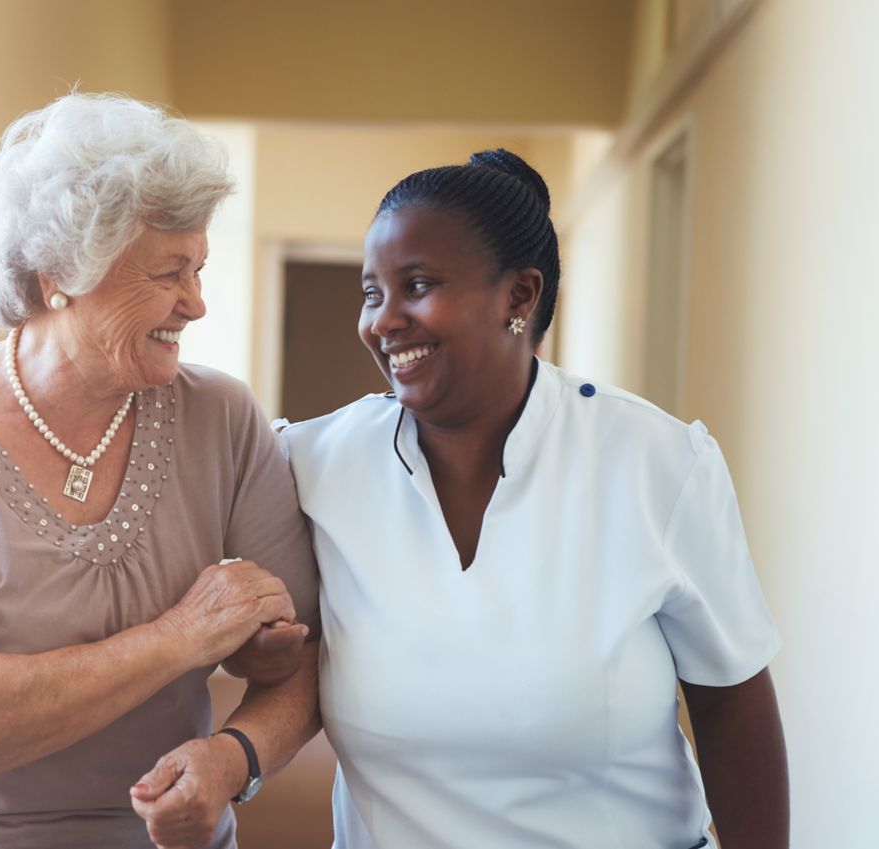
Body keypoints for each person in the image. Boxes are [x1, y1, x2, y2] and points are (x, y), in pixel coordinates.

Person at [139, 149, 788, 848]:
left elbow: (731, 709)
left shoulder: (655, 462)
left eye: (416, 285)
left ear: (519, 296)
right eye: (371, 292)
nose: (382, 321)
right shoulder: (311, 462)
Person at [0, 93, 320, 849]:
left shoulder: (220, 415)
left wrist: (232, 758)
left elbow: (306, 655)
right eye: (168, 272)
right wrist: (180, 637)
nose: (195, 303)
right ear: (58, 273)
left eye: (198, 268)